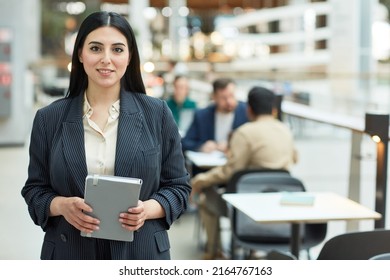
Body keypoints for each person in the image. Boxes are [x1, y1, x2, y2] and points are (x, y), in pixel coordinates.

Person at [21, 11, 191, 260]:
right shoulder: (49, 119)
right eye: (96, 48)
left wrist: (147, 210)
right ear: (80, 54)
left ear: (130, 56)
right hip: (71, 253)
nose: (106, 59)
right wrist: (61, 206)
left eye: (118, 50)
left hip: (139, 253)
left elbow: (178, 188)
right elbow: (35, 190)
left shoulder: (157, 114)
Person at [191, 86, 298, 260]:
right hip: (278, 205)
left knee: (205, 200)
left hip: (248, 207)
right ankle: (253, 249)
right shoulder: (286, 130)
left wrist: (199, 180)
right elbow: (294, 158)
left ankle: (213, 253)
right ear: (273, 110)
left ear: (249, 109)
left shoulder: (244, 132)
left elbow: (229, 171)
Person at [181, 78, 248, 154]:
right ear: (214, 97)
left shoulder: (246, 111)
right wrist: (201, 147)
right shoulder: (202, 115)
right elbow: (186, 142)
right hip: (208, 163)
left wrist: (231, 145)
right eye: (224, 98)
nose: (229, 101)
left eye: (231, 96)